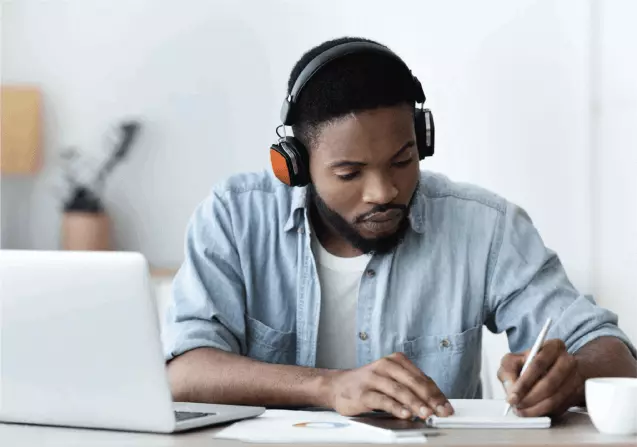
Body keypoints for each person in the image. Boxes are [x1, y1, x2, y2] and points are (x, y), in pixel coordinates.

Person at [162, 37, 637, 420]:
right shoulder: (234, 217)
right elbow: (185, 372)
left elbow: (615, 356)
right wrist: (329, 387)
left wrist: (571, 374)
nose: (384, 191)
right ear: (298, 166)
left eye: (402, 160)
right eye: (350, 173)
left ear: (422, 140)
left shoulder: (485, 227)